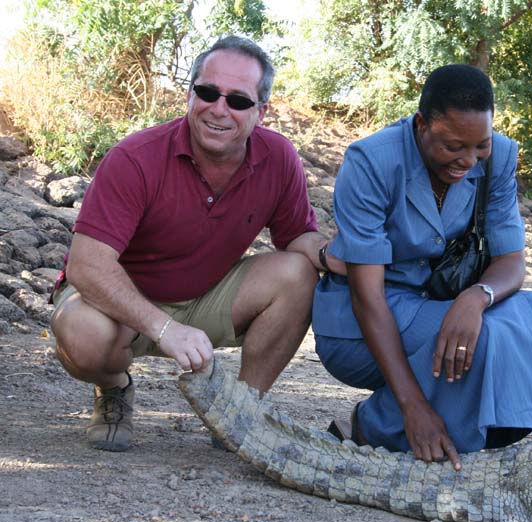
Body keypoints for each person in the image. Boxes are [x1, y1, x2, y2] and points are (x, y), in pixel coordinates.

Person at [50, 36, 339, 452]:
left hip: (203, 296)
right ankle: (113, 388)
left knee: (299, 273)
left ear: (262, 111)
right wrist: (163, 328)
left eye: (238, 101)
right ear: (190, 94)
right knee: (83, 333)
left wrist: (333, 256)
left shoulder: (278, 157)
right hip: (115, 304)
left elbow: (296, 237)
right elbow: (86, 264)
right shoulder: (135, 158)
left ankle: (240, 410)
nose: (219, 109)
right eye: (207, 92)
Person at [312, 64, 532, 470]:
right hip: (361, 321)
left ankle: (469, 439)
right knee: (485, 338)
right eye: (454, 146)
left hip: (442, 304)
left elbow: (512, 260)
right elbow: (367, 297)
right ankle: (374, 427)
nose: (469, 161)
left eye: (480, 147)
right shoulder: (370, 161)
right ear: (422, 124)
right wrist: (412, 405)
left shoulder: (501, 157)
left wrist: (476, 297)